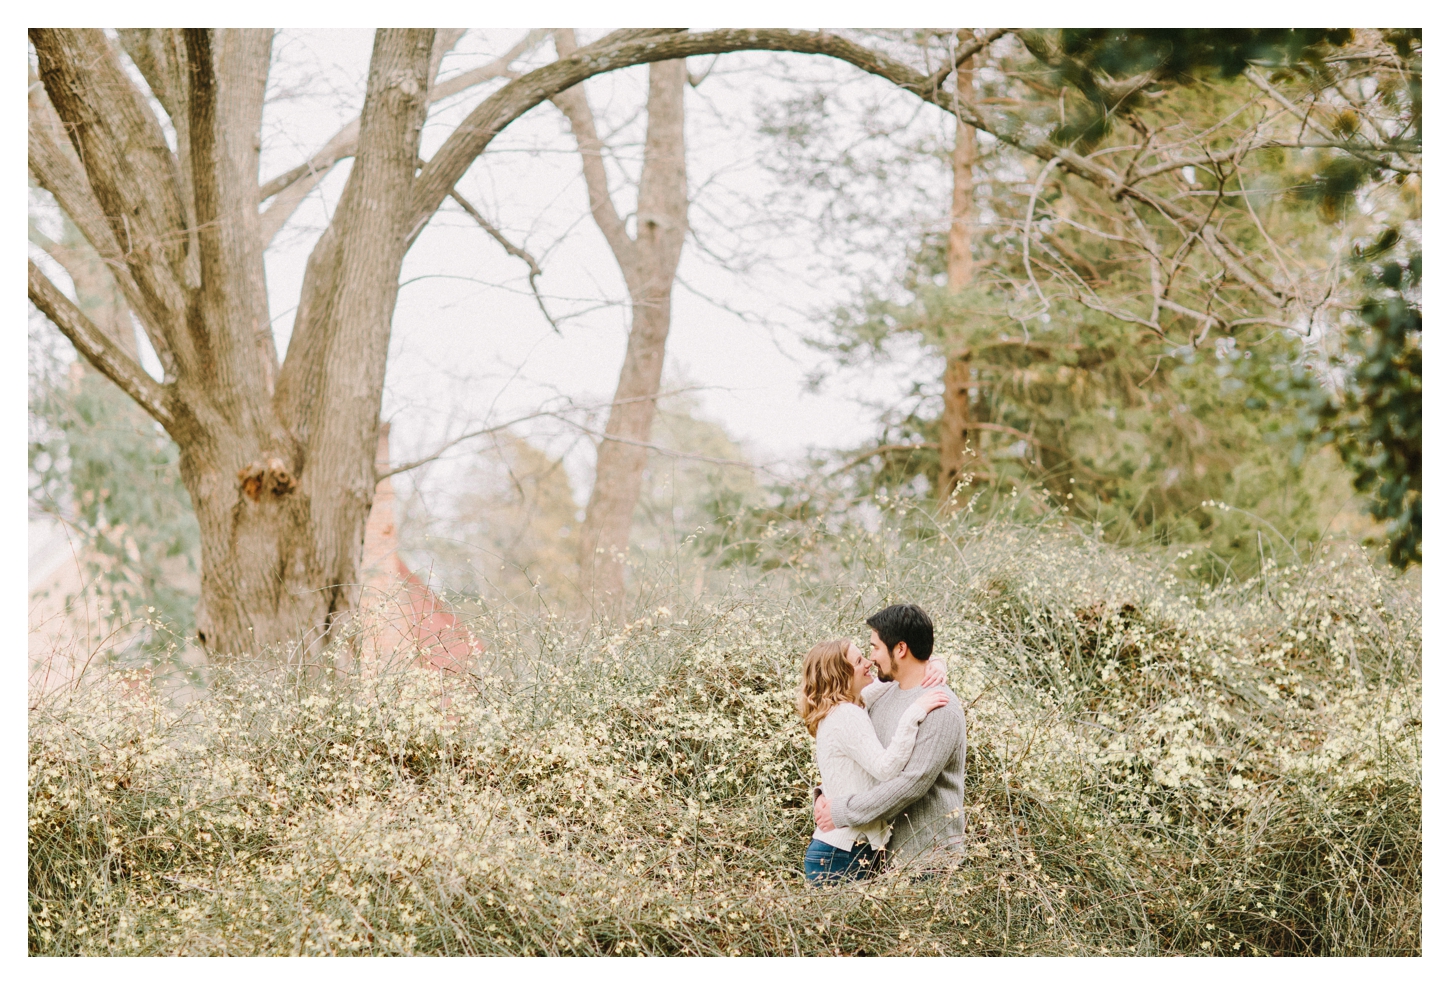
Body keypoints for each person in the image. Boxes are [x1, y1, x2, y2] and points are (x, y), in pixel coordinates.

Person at [813, 604, 967, 875]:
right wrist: (823, 795)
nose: (870, 659)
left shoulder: (941, 707)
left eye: (874, 648)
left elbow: (911, 784)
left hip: (927, 862)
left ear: (900, 649)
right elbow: (852, 756)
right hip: (880, 859)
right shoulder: (883, 694)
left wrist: (840, 811)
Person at [796, 637, 949, 884]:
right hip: (843, 853)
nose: (869, 663)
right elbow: (886, 769)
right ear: (841, 675)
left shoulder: (853, 700)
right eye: (859, 661)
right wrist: (914, 713)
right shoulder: (846, 715)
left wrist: (937, 665)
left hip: (842, 850)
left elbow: (897, 674)